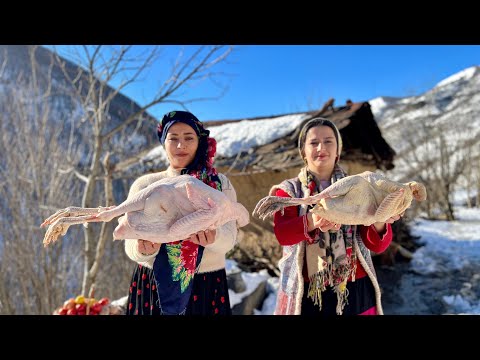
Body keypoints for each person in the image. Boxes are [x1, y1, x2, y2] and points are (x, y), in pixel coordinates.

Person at [270, 117, 400, 315]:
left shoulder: (358, 189)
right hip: (308, 293)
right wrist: (312, 221)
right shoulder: (288, 192)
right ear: (303, 151)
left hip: (356, 287)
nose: (321, 147)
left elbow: (377, 245)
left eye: (328, 141)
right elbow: (283, 234)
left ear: (338, 150)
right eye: (313, 142)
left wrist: (380, 219)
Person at [123, 110, 240, 315]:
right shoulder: (145, 185)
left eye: (188, 138)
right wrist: (143, 249)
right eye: (173, 138)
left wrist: (214, 237)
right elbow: (130, 244)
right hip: (154, 284)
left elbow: (230, 238)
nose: (181, 145)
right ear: (163, 142)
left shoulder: (219, 185)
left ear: (200, 142)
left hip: (206, 285)